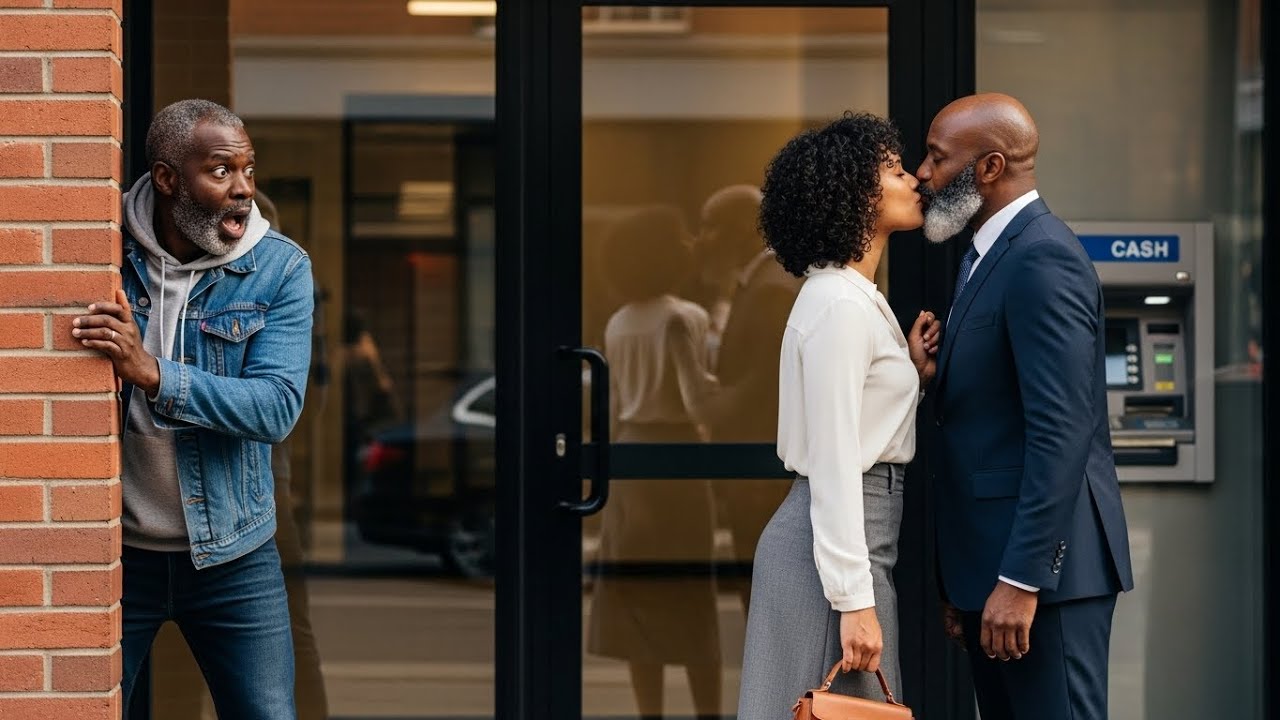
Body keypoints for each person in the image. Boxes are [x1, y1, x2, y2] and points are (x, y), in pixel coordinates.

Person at [73, 99, 313, 719]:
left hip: (234, 553)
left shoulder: (279, 269)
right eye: (222, 171)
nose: (244, 192)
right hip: (116, 552)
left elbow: (276, 407)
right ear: (168, 179)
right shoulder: (100, 258)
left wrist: (152, 373)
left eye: (249, 171)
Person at [916, 93, 1134, 720]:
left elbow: (1061, 431)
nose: (923, 173)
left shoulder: (1042, 257)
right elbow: (997, 409)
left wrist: (1020, 579)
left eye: (937, 157)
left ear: (989, 167)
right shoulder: (985, 255)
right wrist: (934, 377)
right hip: (993, 575)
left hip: (1044, 584)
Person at [737, 113, 941, 719]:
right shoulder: (839, 305)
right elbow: (834, 461)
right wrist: (853, 600)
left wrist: (909, 375)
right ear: (856, 194)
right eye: (896, 170)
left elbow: (855, 427)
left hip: (842, 544)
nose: (915, 181)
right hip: (832, 551)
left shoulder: (850, 297)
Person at [585, 205, 722, 719]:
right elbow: (696, 401)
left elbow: (615, 402)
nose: (691, 243)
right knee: (691, 600)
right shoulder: (684, 316)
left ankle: (651, 714)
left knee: (640, 601)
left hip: (630, 458)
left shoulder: (618, 321)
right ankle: (707, 712)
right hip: (679, 459)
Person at [694, 185, 801, 614]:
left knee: (764, 603)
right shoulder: (760, 282)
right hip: (758, 475)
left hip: (761, 480)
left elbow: (765, 383)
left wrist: (710, 406)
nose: (699, 240)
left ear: (742, 230)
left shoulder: (771, 287)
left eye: (708, 227)